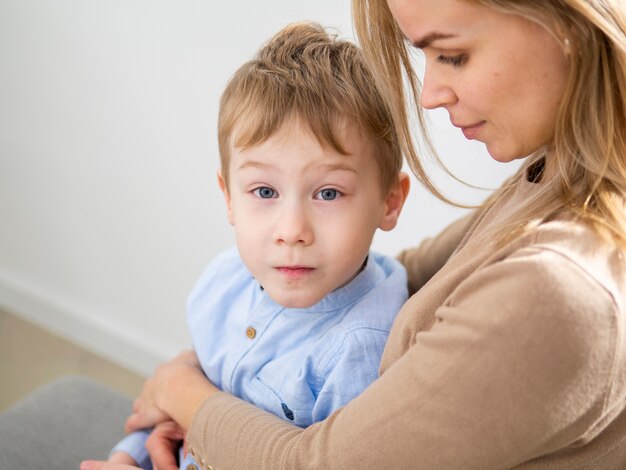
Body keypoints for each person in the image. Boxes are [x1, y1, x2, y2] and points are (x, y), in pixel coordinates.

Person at [82, 0, 626, 468]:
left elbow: (316, 464)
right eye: (264, 192)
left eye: (454, 55)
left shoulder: (561, 292)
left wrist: (178, 390)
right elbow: (418, 272)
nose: (431, 93)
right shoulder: (557, 175)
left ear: (569, 24)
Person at [103, 21, 410, 470]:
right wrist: (125, 457)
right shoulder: (225, 281)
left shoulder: (360, 351)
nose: (291, 230)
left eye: (328, 193)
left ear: (389, 202)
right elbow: (174, 406)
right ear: (228, 197)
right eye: (264, 192)